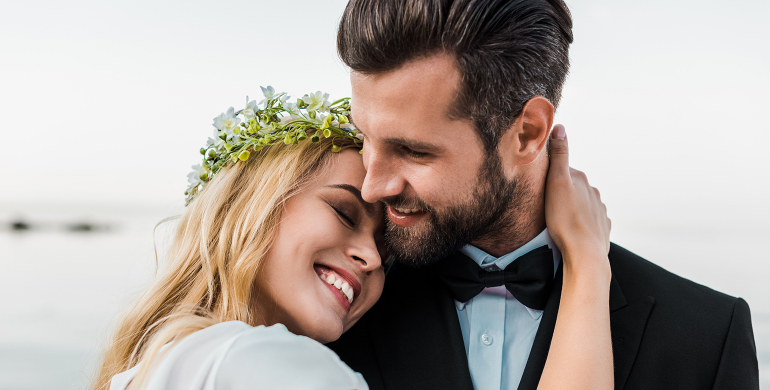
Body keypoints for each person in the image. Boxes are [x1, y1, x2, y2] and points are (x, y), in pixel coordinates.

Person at [327, 0, 760, 389]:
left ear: (528, 133)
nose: (372, 185)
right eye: (365, 136)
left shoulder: (708, 336)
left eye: (414, 151)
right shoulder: (336, 305)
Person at [90, 89, 615, 390]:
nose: (370, 258)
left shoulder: (162, 363)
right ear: (251, 207)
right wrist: (589, 264)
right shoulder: (251, 362)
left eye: (385, 248)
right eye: (343, 212)